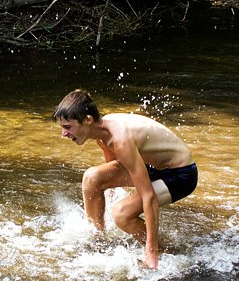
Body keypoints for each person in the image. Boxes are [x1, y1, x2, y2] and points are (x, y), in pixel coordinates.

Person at [53, 89, 197, 269]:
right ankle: (97, 243)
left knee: (121, 214)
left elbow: (149, 197)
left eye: (68, 127)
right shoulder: (100, 133)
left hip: (181, 174)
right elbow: (111, 168)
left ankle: (159, 251)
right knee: (91, 178)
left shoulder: (120, 139)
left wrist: (150, 253)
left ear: (88, 120)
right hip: (151, 165)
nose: (64, 134)